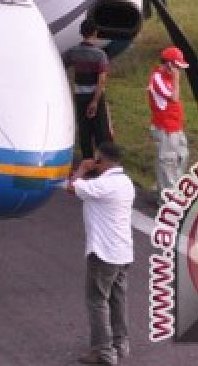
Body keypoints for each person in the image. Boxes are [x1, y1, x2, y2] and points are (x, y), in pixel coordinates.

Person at [65, 141, 134, 366]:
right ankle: (120, 343)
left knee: (97, 300)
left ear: (100, 161)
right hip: (123, 252)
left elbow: (71, 187)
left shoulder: (103, 186)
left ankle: (103, 352)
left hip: (104, 253)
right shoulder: (125, 183)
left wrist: (82, 170)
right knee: (117, 299)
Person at [62, 19, 112, 160]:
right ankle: (102, 163)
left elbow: (62, 65)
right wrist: (95, 102)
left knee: (84, 131)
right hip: (95, 97)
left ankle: (87, 160)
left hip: (79, 96)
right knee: (100, 131)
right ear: (95, 33)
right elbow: (101, 80)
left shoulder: (73, 52)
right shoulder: (100, 55)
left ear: (81, 33)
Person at [148, 46, 189, 203]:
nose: (180, 70)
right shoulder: (157, 78)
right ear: (169, 64)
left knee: (182, 156)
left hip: (175, 126)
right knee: (168, 161)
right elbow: (174, 98)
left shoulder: (169, 77)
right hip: (165, 127)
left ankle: (168, 189)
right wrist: (176, 79)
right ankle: (167, 199)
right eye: (177, 66)